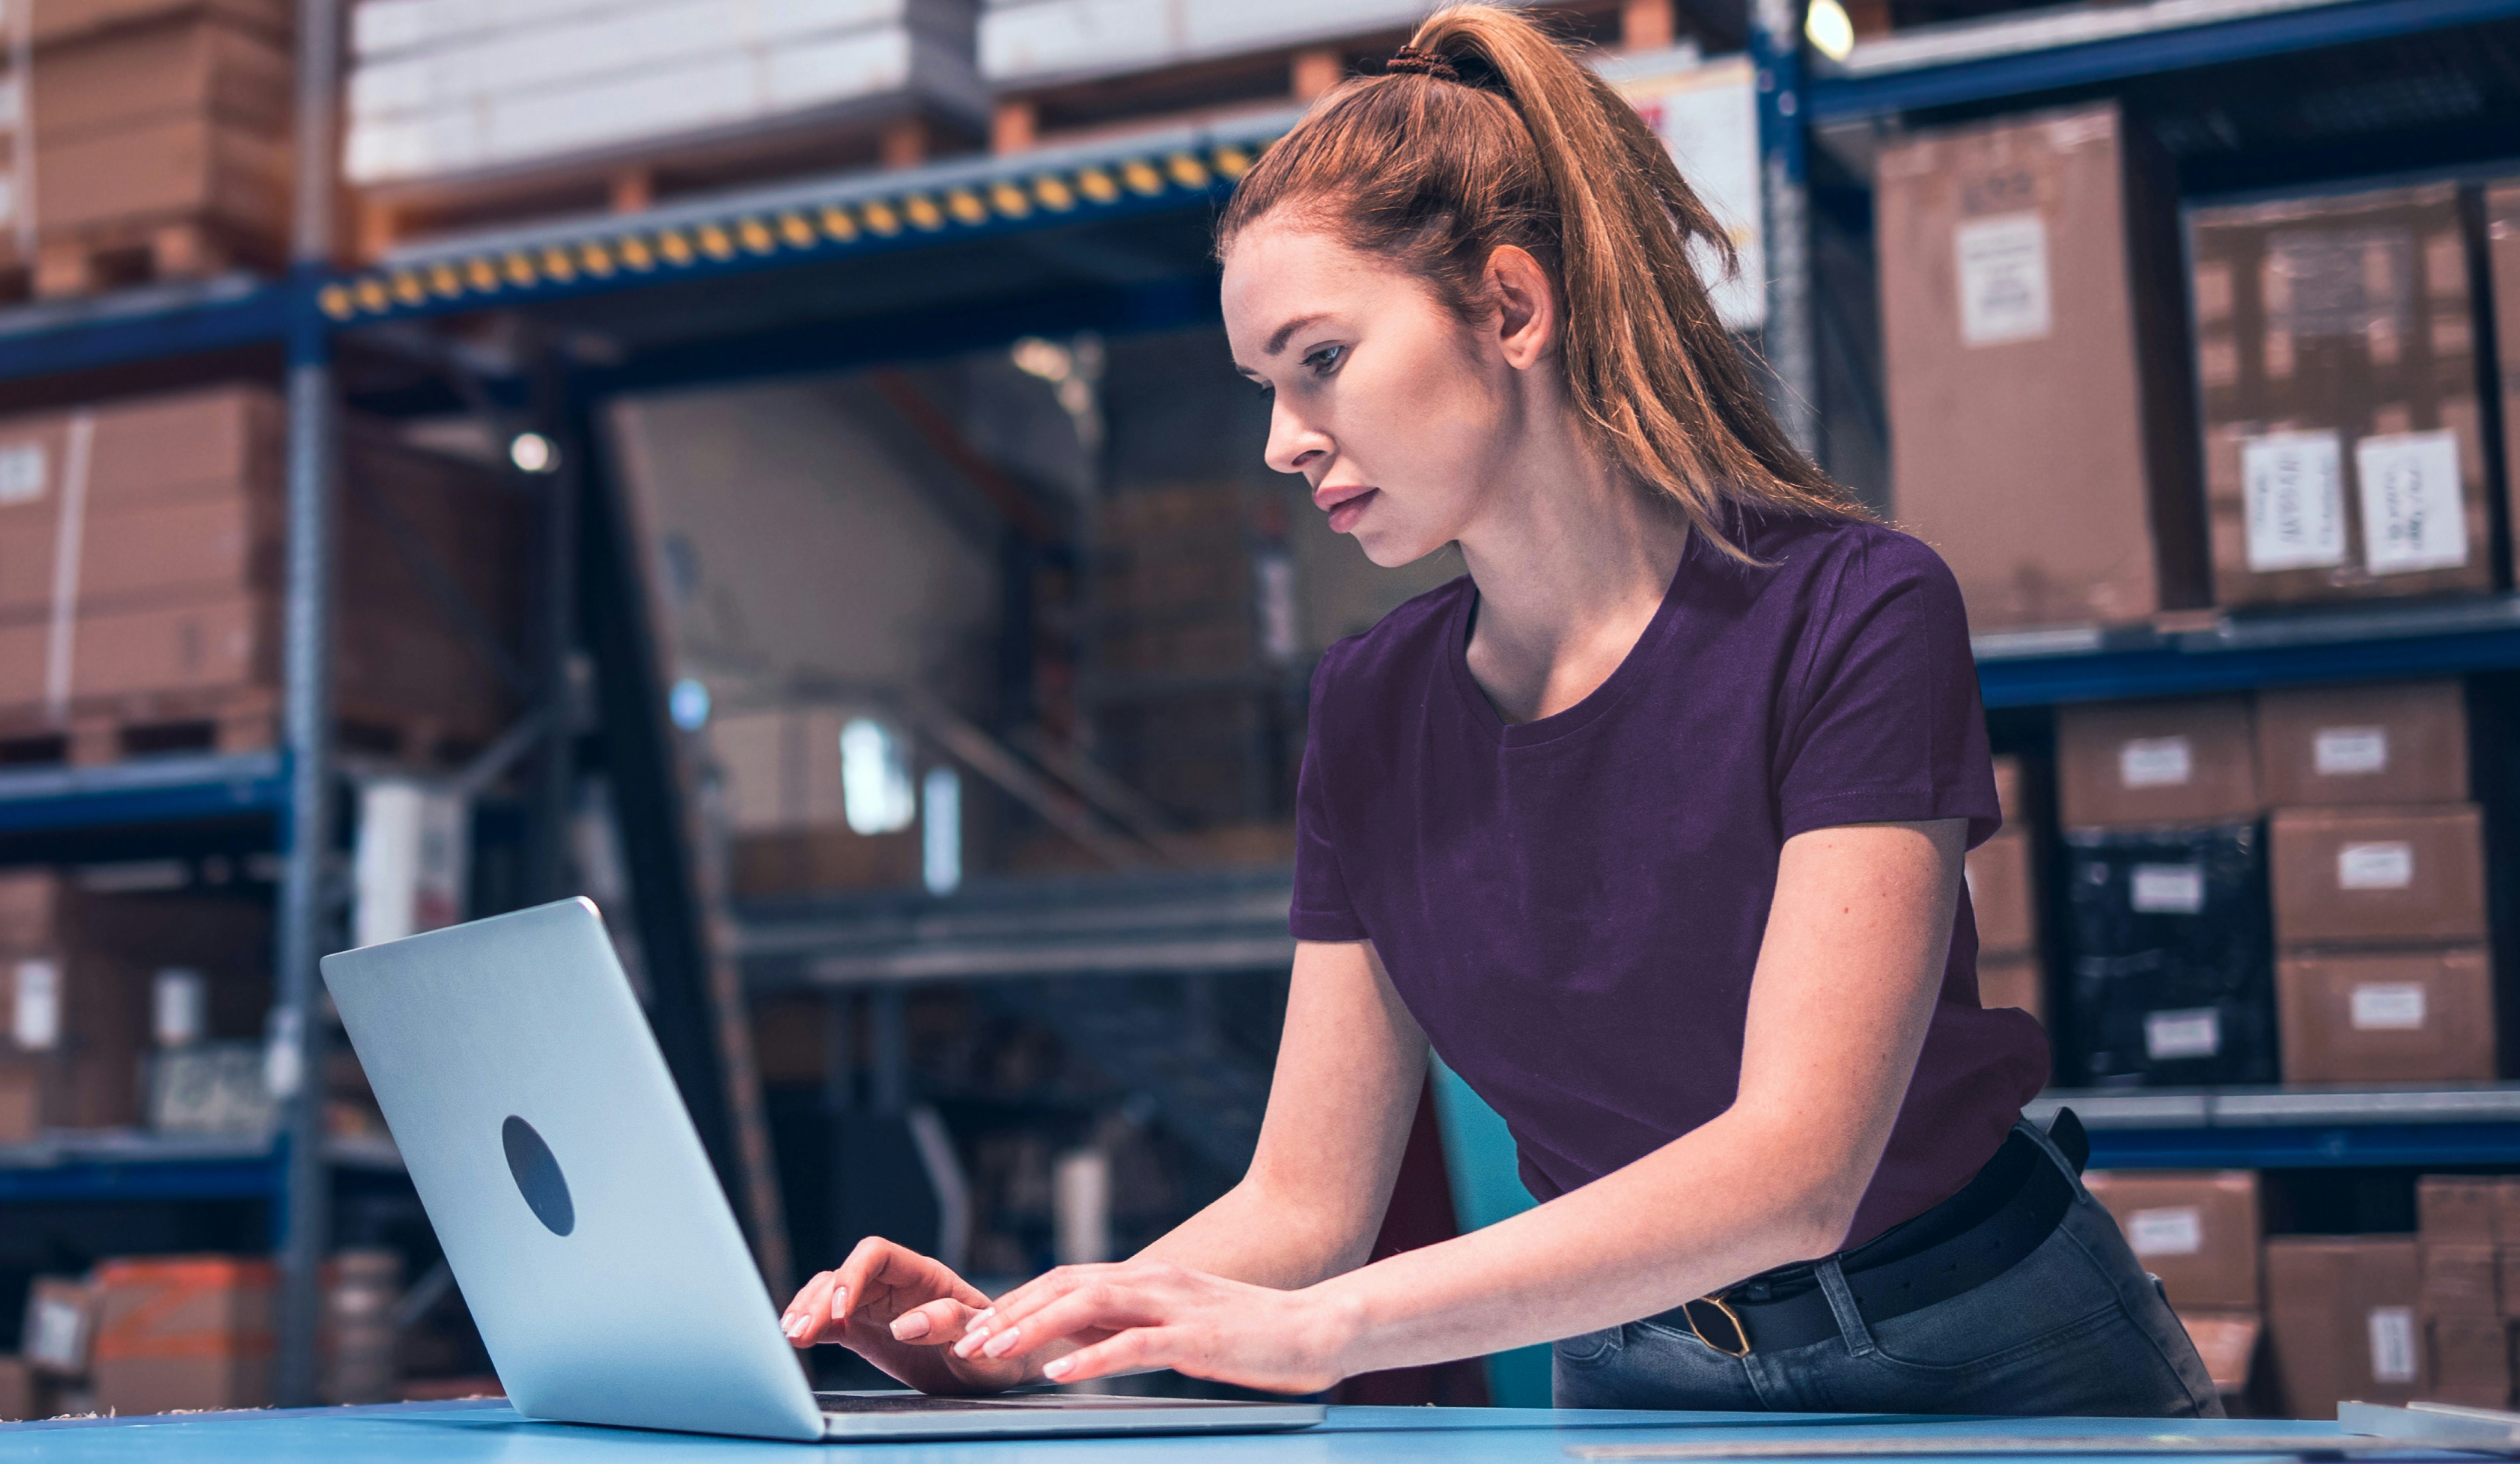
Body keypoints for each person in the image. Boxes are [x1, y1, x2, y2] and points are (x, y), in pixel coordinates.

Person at [775, 3, 2220, 1417]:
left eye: (1321, 360)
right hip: (1638, 1369)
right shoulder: (1368, 711)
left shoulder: (1855, 611)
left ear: (1511, 307)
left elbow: (1801, 1166)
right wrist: (1030, 1338)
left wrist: (1325, 1329)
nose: (1285, 441)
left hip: (1984, 1355)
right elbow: (1301, 1201)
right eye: (1264, 387)